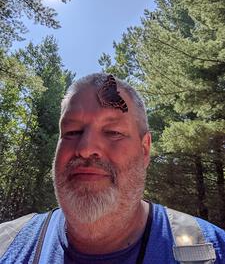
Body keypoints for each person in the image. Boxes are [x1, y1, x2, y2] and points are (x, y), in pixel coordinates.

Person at [0, 73, 224, 264]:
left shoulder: (214, 250)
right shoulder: (6, 245)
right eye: (72, 132)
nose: (86, 148)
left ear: (145, 150)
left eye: (113, 132)